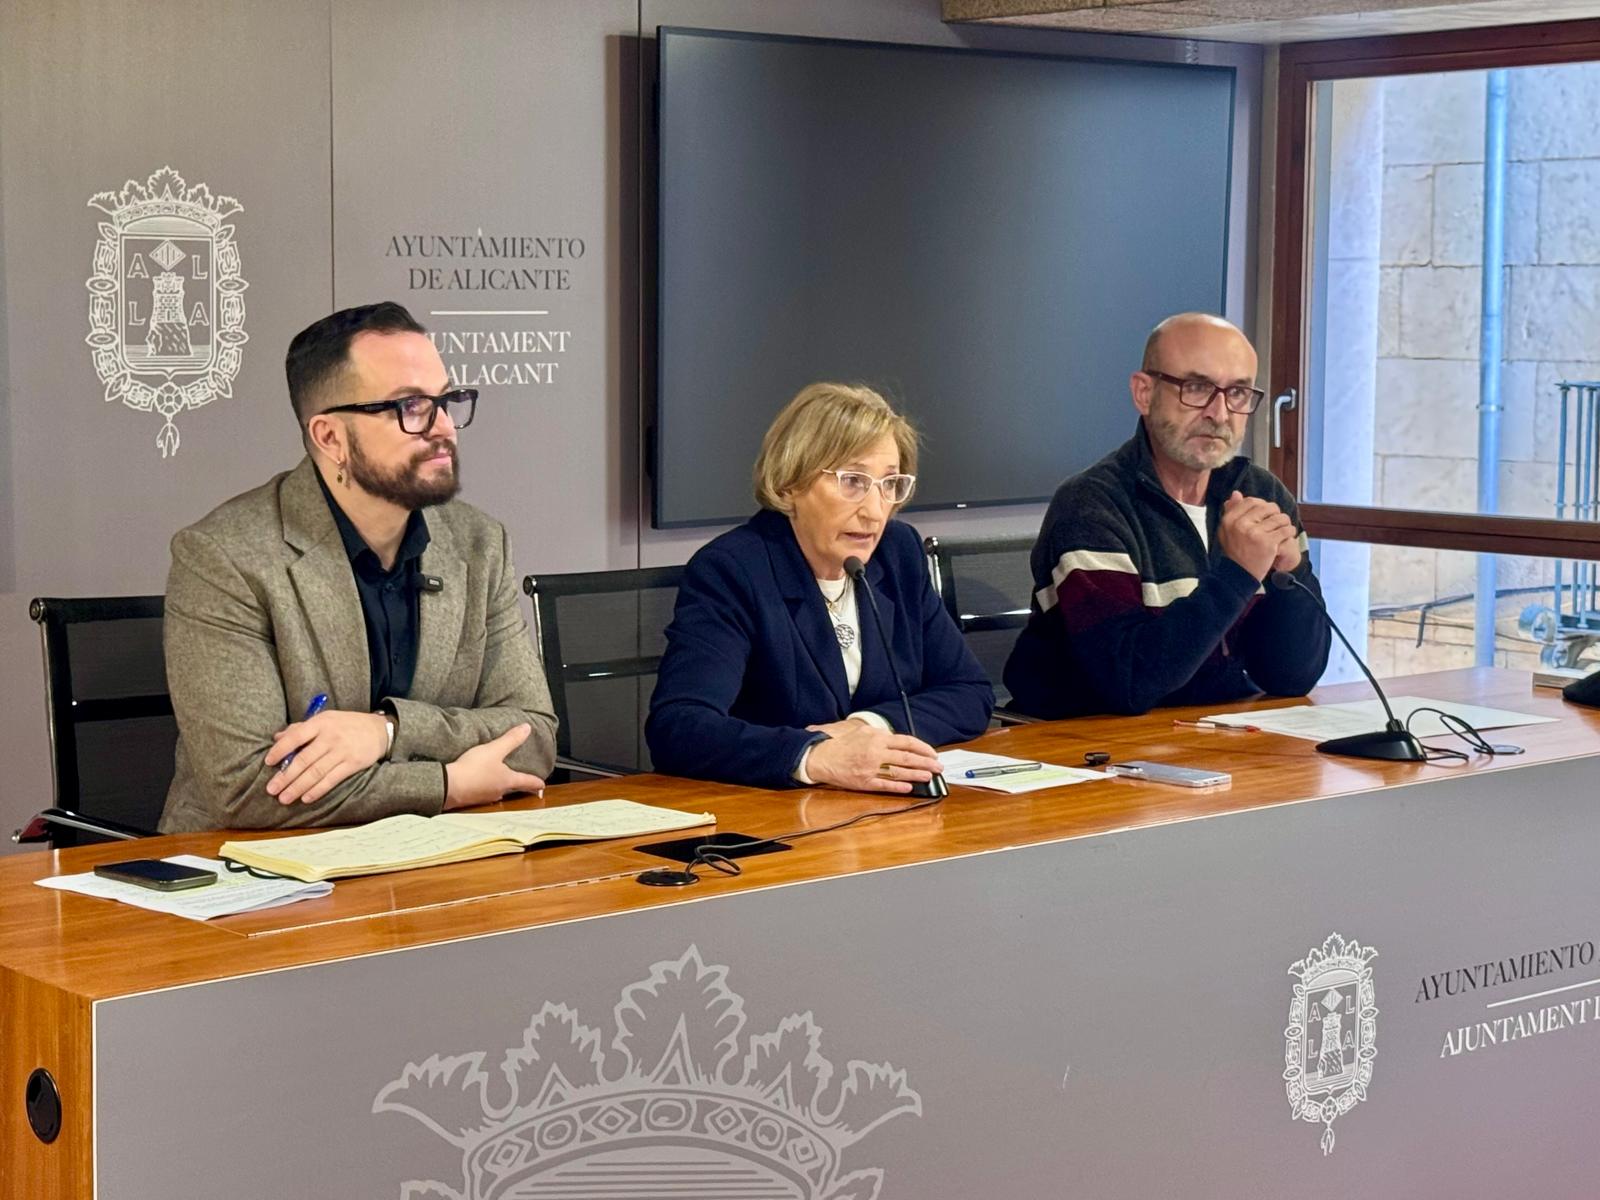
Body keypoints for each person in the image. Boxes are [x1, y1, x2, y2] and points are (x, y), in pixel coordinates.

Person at [159, 302, 556, 833]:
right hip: (252, 864)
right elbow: (248, 787)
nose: (443, 428)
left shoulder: (480, 543)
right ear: (330, 437)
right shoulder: (225, 556)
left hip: (439, 856)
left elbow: (533, 737)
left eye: (446, 401)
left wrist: (386, 731)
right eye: (410, 406)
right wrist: (447, 784)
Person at [646, 382, 993, 792]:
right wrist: (814, 756)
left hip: (884, 805)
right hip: (771, 810)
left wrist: (867, 726)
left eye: (889, 484)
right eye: (853, 481)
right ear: (790, 483)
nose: (875, 511)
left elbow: (969, 692)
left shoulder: (898, 553)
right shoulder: (734, 570)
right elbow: (680, 726)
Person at [1003, 312, 1330, 718]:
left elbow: (1292, 678)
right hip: (1091, 737)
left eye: (1238, 393)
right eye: (1197, 388)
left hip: (1217, 730)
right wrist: (1237, 574)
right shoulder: (1091, 505)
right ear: (1144, 393)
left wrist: (1292, 575)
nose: (1220, 413)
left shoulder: (1262, 495)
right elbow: (1128, 683)